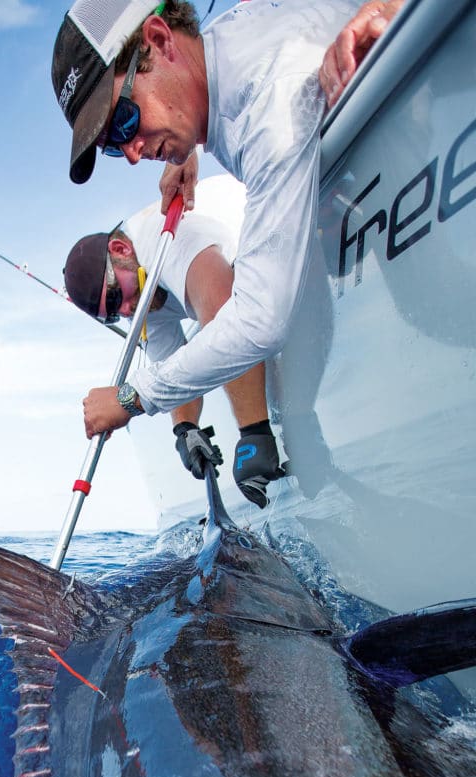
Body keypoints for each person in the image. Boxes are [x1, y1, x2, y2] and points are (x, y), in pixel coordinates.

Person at [50, 0, 405, 440]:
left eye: (123, 122)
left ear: (159, 40)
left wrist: (129, 399)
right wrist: (189, 142)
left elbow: (259, 319)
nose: (131, 153)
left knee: (421, 310)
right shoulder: (228, 64)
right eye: (111, 146)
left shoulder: (269, 108)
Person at [63, 183, 285, 507]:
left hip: (271, 241)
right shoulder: (139, 302)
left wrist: (254, 432)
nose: (125, 311)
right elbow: (173, 366)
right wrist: (186, 428)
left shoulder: (167, 239)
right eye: (112, 314)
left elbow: (231, 327)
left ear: (121, 250)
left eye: (115, 296)